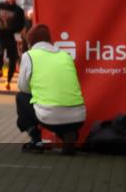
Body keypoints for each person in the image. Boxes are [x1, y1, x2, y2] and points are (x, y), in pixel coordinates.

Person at [15, 24, 86, 155]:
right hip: (78, 116)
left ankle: (36, 142)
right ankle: (67, 135)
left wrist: (37, 89)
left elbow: (23, 87)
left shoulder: (29, 56)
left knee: (21, 97)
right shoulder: (65, 55)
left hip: (50, 116)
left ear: (31, 41)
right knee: (58, 102)